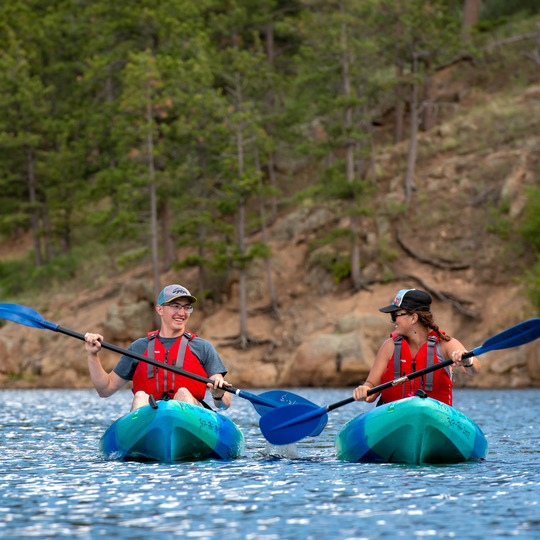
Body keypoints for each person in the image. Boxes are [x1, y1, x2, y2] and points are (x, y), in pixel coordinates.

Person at [84, 284, 231, 411]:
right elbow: (105, 389)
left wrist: (218, 394)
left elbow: (224, 404)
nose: (181, 313)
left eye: (186, 307)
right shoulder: (139, 347)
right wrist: (92, 355)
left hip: (191, 418)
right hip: (152, 419)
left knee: (183, 393)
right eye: (175, 306)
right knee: (140, 396)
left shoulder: (202, 347)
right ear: (160, 309)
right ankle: (142, 440)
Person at [353, 288, 480, 406]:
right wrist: (365, 390)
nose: (392, 321)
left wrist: (467, 361)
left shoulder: (445, 344)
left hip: (434, 416)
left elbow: (475, 369)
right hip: (395, 416)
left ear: (413, 318)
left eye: (395, 315)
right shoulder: (389, 347)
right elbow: (371, 389)